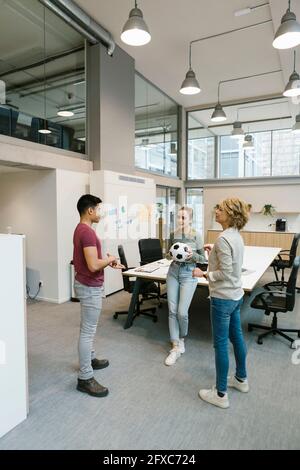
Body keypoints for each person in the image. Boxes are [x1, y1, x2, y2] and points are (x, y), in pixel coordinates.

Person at [193, 198, 249, 409]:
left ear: (231, 214)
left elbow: (224, 273)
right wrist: (213, 251)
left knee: (221, 345)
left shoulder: (224, 239)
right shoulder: (235, 236)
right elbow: (230, 265)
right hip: (235, 296)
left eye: (221, 209)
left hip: (223, 299)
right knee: (237, 338)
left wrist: (203, 273)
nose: (216, 211)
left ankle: (220, 393)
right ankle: (241, 380)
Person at [73, 194, 124, 397]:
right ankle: (85, 377)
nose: (100, 213)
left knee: (88, 328)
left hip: (86, 283)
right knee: (87, 331)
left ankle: (90, 358)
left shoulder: (82, 230)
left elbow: (91, 261)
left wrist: (107, 261)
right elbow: (94, 265)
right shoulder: (87, 232)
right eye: (99, 209)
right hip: (89, 286)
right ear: (90, 210)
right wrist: (109, 258)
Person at [165, 206, 206, 366]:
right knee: (172, 310)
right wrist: (169, 255)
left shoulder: (197, 235)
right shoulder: (172, 235)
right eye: (178, 217)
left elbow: (202, 258)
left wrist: (192, 256)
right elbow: (167, 255)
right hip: (173, 272)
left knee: (182, 312)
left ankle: (182, 336)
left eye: (183, 218)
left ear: (190, 219)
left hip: (189, 274)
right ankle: (175, 344)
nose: (180, 220)